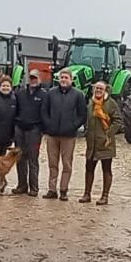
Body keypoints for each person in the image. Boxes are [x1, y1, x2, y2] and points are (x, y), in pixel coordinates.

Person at [40, 69, 87, 201]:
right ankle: (52, 189)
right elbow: (44, 111)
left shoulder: (78, 95)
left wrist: (73, 126)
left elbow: (82, 115)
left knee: (67, 164)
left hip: (69, 136)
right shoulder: (50, 93)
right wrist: (48, 124)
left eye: (66, 77)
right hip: (52, 135)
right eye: (62, 77)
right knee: (52, 164)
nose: (63, 80)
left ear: (71, 79)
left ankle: (63, 190)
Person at [80, 81, 122, 205]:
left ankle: (105, 196)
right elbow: (87, 120)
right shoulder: (90, 103)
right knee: (89, 168)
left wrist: (108, 133)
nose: (98, 90)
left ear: (105, 90)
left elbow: (118, 121)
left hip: (106, 143)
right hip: (91, 144)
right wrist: (86, 132)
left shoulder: (111, 104)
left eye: (100, 89)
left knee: (106, 169)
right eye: (96, 88)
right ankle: (87, 194)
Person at [11, 70, 46, 196]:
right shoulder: (19, 93)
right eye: (31, 78)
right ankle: (22, 185)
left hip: (34, 130)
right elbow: (14, 111)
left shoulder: (44, 95)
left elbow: (45, 113)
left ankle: (34, 188)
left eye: (35, 78)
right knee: (20, 158)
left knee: (33, 159)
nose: (33, 80)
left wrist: (43, 129)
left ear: (40, 79)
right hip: (20, 129)